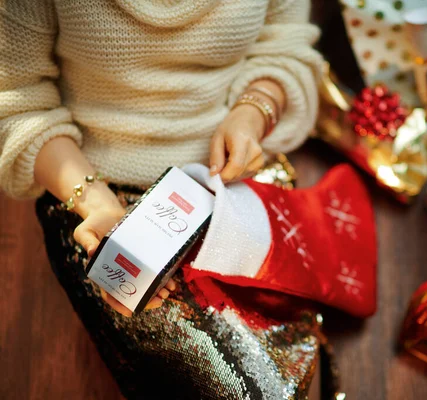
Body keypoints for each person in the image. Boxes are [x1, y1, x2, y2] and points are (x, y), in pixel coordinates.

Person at [0, 0, 323, 398]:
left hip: (230, 176)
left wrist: (252, 112)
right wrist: (98, 204)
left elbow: (285, 46)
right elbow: (16, 98)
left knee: (296, 358)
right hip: (98, 188)